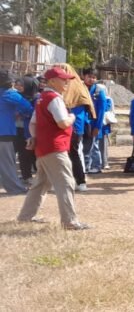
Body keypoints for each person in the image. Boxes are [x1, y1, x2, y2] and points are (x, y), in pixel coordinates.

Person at [17, 66, 89, 230]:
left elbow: (33, 123)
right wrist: (72, 117)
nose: (66, 82)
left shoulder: (42, 97)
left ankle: (25, 216)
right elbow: (62, 122)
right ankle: (70, 221)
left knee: (41, 183)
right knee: (66, 182)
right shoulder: (54, 98)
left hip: (44, 147)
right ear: (52, 81)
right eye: (63, 79)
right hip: (55, 148)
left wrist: (34, 138)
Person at [0, 71, 33, 195]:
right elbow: (27, 108)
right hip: (4, 133)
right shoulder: (10, 94)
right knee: (8, 162)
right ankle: (16, 188)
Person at [13, 76, 38, 185]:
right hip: (17, 129)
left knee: (32, 154)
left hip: (30, 130)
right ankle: (26, 176)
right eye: (17, 84)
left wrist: (22, 113)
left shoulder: (36, 98)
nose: (18, 87)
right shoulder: (15, 96)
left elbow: (35, 113)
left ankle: (39, 176)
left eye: (21, 85)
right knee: (22, 154)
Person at [82, 68, 107, 174]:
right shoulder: (80, 89)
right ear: (84, 76)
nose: (91, 79)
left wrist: (97, 127)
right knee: (89, 145)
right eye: (89, 77)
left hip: (93, 124)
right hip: (82, 123)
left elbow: (101, 111)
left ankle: (94, 166)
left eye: (94, 77)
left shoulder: (99, 92)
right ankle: (90, 165)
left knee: (92, 145)